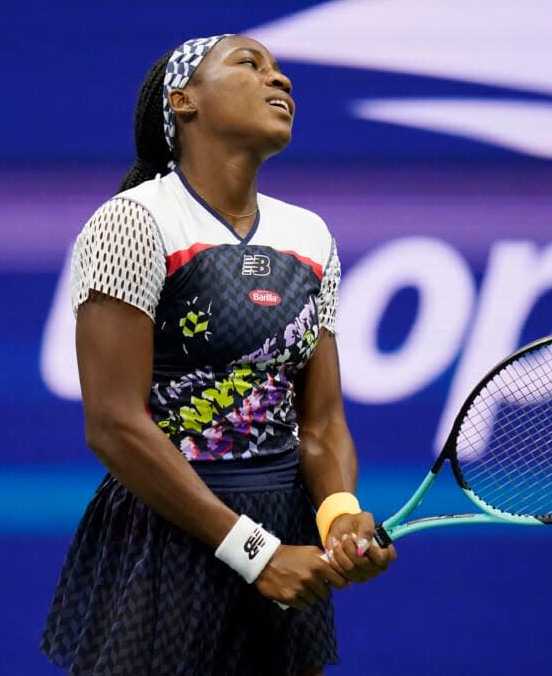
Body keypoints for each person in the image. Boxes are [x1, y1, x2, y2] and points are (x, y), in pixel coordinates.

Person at [39, 34, 396, 676]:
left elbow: (319, 423)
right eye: (249, 65)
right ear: (183, 102)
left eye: (282, 70)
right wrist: (255, 553)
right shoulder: (133, 223)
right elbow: (114, 425)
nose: (279, 80)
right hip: (165, 532)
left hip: (285, 527)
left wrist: (339, 515)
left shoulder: (310, 237)